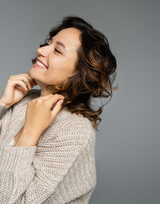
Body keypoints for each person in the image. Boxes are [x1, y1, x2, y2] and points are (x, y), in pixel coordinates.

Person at [0, 15, 117, 203]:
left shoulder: (75, 130)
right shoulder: (24, 101)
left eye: (57, 51)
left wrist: (30, 132)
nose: (41, 50)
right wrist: (3, 105)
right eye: (47, 43)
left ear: (79, 73)